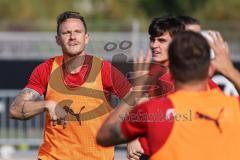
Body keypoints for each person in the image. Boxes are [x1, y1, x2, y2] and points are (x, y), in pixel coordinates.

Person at [96, 31, 240, 160]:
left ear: (172, 71)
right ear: (211, 70)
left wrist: (136, 92)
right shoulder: (234, 107)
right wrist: (230, 70)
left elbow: (104, 135)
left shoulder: (155, 111)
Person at [9, 11, 131, 160]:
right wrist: (46, 104)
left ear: (86, 38)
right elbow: (15, 110)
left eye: (77, 32)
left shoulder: (104, 70)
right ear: (58, 39)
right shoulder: (46, 70)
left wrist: (134, 137)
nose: (72, 37)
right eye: (66, 33)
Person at [127, 16, 220, 160]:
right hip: (145, 154)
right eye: (152, 39)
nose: (154, 45)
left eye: (161, 40)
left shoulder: (194, 78)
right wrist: (132, 140)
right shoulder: (145, 75)